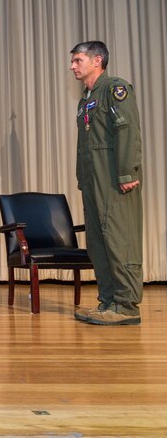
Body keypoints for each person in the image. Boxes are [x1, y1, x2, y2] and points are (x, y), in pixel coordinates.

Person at [70, 41, 143, 325]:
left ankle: (127, 305)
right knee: (98, 242)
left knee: (118, 237)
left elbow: (127, 130)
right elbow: (84, 143)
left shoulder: (115, 89)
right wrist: (82, 177)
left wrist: (127, 173)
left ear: (97, 60)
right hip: (93, 179)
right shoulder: (86, 98)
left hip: (114, 177)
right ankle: (108, 301)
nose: (73, 66)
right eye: (73, 61)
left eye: (78, 60)